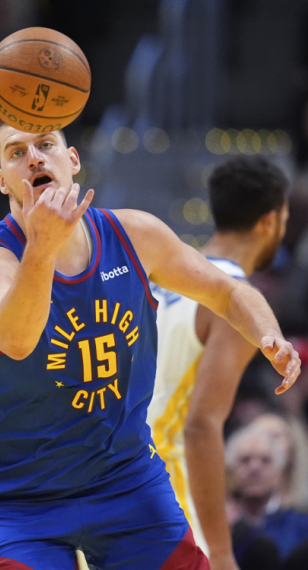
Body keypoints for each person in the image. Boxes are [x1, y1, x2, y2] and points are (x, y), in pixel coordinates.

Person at [0, 122, 301, 570]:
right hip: (16, 498)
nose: (34, 158)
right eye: (17, 152)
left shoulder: (132, 234)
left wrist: (268, 334)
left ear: (72, 160)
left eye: (45, 145)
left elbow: (227, 290)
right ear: (2, 181)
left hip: (124, 479)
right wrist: (40, 249)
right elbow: (17, 341)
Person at [146, 155, 290, 569]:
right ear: (269, 221)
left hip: (115, 473)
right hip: (165, 485)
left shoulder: (164, 276)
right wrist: (223, 553)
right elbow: (200, 425)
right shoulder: (238, 302)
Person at [225, 424, 308, 568]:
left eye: (266, 460)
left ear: (280, 471)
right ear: (230, 471)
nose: (254, 468)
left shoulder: (302, 526)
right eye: (245, 460)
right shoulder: (218, 528)